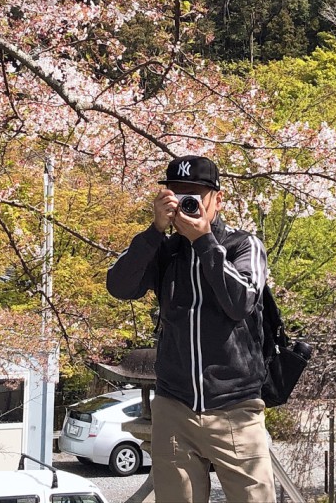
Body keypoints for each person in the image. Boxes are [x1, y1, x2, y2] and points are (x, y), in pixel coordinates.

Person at [106, 155, 275, 503]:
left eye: (196, 194)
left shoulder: (243, 245)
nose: (188, 202)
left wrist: (204, 242)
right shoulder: (165, 251)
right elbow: (119, 286)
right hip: (175, 405)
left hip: (235, 406)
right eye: (178, 193)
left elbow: (241, 302)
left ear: (218, 199)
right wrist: (154, 231)